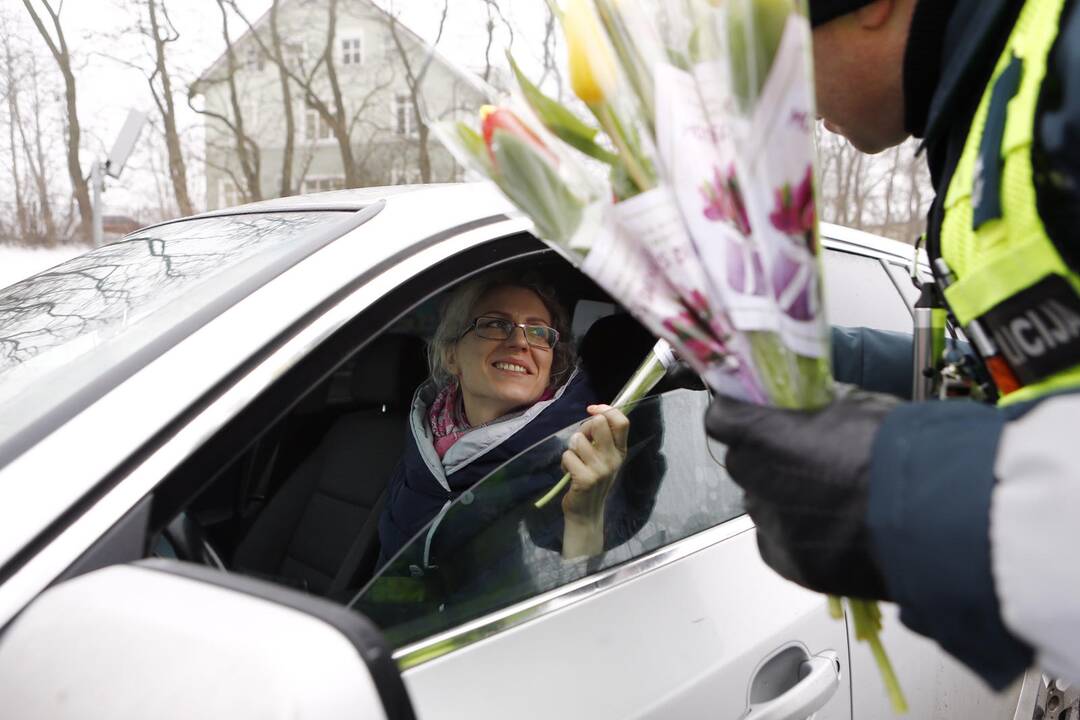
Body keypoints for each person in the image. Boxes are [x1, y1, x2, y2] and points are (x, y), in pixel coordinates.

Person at [706, 0, 1080, 690]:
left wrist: (908, 491)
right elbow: (1005, 378)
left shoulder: (1064, 66)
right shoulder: (985, 114)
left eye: (783, 61)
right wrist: (822, 360)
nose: (790, 102)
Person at [376, 271, 633, 569]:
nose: (521, 342)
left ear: (550, 366)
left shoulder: (582, 454)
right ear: (451, 355)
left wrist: (585, 517)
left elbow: (582, 597)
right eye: (497, 324)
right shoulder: (421, 437)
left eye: (538, 332)